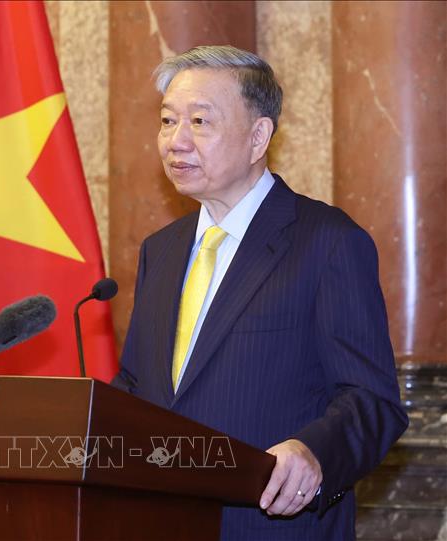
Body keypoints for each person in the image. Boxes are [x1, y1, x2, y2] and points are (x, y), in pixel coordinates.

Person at [111, 45, 408, 540]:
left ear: (258, 137)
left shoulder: (327, 242)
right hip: (164, 522)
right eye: (167, 121)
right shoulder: (159, 251)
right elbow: (138, 387)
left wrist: (314, 453)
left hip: (270, 524)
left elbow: (372, 400)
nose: (175, 141)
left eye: (199, 122)